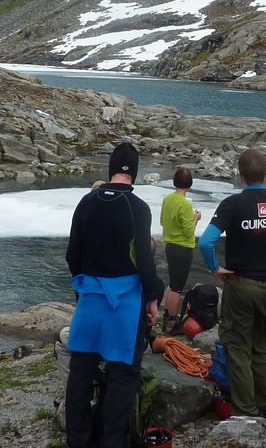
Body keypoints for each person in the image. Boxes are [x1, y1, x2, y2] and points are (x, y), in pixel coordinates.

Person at [64, 141, 158, 448]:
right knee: (121, 373)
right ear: (135, 173)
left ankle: (77, 439)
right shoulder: (139, 209)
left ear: (110, 169)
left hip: (90, 299)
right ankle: (112, 441)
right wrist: (153, 296)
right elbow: (144, 261)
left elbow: (72, 255)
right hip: (125, 305)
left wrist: (82, 283)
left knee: (81, 369)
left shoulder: (86, 203)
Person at [198, 148, 266, 419]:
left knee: (238, 348)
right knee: (264, 347)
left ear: (240, 175)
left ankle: (245, 413)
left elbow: (205, 241)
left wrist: (214, 269)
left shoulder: (232, 204)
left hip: (240, 285)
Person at [160, 166, 202, 332]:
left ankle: (166, 316)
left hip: (170, 246)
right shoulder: (184, 204)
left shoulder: (167, 199)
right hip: (183, 248)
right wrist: (196, 219)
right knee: (178, 287)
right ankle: (172, 322)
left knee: (172, 282)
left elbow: (163, 221)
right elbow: (188, 231)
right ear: (190, 184)